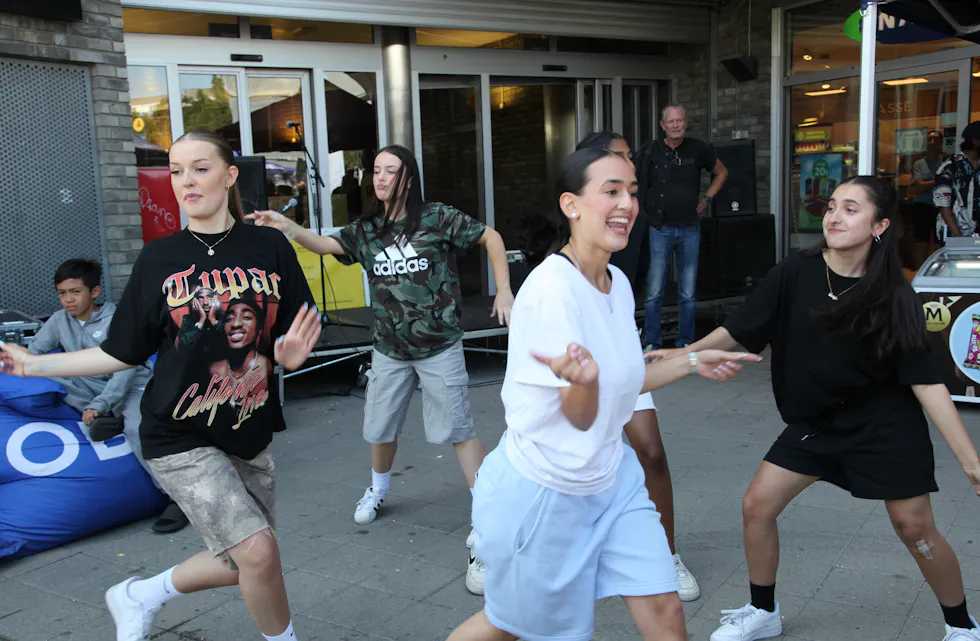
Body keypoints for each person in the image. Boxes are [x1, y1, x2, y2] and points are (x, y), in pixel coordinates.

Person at [1, 130, 322, 641]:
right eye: (176, 170)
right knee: (258, 552)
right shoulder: (159, 259)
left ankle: (139, 595)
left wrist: (291, 354)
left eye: (199, 167)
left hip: (247, 427)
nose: (186, 181)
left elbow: (300, 323)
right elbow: (120, 349)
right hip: (177, 433)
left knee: (249, 560)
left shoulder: (268, 245)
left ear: (229, 175)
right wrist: (35, 366)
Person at [446, 147, 760, 641]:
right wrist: (583, 384)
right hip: (542, 492)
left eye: (632, 192)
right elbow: (579, 415)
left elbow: (626, 377)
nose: (627, 204)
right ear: (571, 205)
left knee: (664, 606)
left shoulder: (615, 282)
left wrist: (694, 360)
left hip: (611, 481)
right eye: (611, 191)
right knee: (508, 628)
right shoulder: (551, 290)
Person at [654, 176, 980, 641]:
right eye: (832, 206)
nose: (834, 216)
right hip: (817, 425)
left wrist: (971, 463)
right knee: (757, 506)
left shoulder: (896, 296)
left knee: (916, 530)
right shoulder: (796, 271)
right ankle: (763, 611)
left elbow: (927, 384)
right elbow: (740, 330)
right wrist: (685, 355)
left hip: (883, 428)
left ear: (880, 225)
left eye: (851, 209)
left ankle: (962, 624)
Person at [248, 144, 514, 596]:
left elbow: (491, 237)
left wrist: (504, 291)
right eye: (376, 171)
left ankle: (487, 515)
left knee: (459, 429)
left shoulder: (436, 217)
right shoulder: (367, 229)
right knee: (379, 427)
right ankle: (377, 490)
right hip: (390, 348)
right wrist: (288, 225)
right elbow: (326, 244)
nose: (382, 178)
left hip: (438, 346)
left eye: (391, 171)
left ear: (408, 177)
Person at [575, 131, 699, 600]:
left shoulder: (622, 269)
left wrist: (693, 357)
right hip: (581, 385)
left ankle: (664, 555)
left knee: (651, 452)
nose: (627, 195)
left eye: (631, 179)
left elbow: (634, 366)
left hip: (623, 360)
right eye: (615, 178)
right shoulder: (557, 277)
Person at [27, 259, 189, 534]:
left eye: (75, 292)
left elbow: (125, 368)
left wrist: (99, 404)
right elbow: (33, 354)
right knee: (44, 374)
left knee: (138, 428)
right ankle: (110, 418)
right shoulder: (58, 320)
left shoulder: (117, 319)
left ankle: (176, 499)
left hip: (130, 382)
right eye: (62, 293)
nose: (68, 300)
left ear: (95, 291)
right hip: (90, 384)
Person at [636, 104, 728, 351]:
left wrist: (707, 198)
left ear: (685, 123)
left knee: (688, 293)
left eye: (679, 121)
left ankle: (686, 342)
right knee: (654, 291)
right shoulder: (650, 151)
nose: (676, 125)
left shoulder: (698, 148)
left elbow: (721, 172)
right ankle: (652, 343)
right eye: (671, 121)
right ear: (662, 125)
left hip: (689, 228)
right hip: (659, 227)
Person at [935, 121, 980, 242]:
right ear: (975, 141)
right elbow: (944, 205)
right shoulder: (950, 167)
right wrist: (957, 236)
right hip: (956, 234)